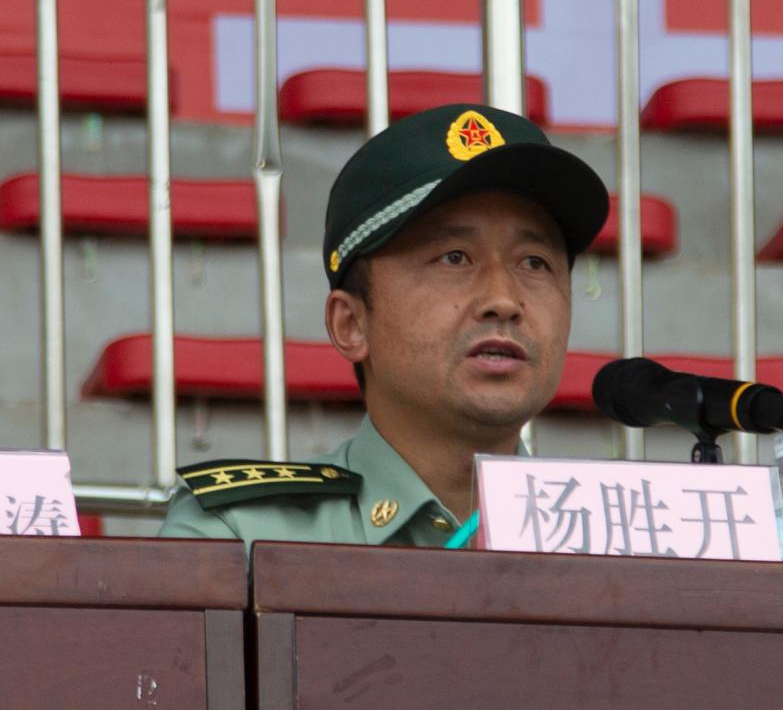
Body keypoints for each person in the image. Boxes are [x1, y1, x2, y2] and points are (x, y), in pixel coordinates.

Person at [158, 103, 609, 551]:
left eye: (535, 262)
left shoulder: (613, 537)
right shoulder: (242, 535)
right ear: (351, 323)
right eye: (454, 258)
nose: (504, 301)